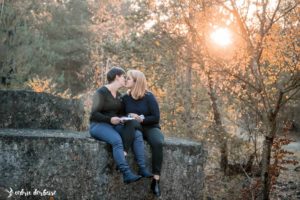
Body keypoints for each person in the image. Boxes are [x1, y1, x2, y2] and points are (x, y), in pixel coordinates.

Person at [89, 66, 151, 184]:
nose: (126, 79)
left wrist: (127, 116)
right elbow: (94, 115)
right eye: (124, 77)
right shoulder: (101, 92)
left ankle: (142, 168)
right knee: (117, 140)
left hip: (114, 125)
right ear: (117, 77)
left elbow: (120, 113)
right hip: (98, 125)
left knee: (137, 134)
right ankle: (126, 173)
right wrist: (110, 119)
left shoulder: (118, 95)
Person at [122, 69, 164, 197]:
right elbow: (121, 114)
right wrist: (130, 116)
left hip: (150, 127)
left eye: (128, 78)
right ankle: (122, 155)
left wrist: (141, 118)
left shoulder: (149, 97)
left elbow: (156, 117)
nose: (125, 80)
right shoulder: (125, 98)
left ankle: (156, 180)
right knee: (132, 128)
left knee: (158, 142)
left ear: (136, 82)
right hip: (134, 127)